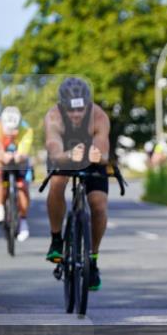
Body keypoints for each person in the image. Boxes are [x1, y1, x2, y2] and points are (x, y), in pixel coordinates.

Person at [44, 78, 112, 290]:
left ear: (88, 105)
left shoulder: (99, 116)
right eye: (71, 110)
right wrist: (70, 155)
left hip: (91, 159)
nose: (76, 115)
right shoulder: (53, 117)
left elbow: (104, 154)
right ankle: (56, 239)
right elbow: (54, 152)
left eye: (81, 109)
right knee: (57, 182)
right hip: (64, 156)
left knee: (99, 204)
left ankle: (92, 260)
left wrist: (97, 156)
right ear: (62, 106)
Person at [0, 107, 34, 240]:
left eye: (14, 131)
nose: (11, 135)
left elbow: (24, 154)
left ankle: (23, 220)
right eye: (8, 132)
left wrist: (18, 157)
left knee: (23, 186)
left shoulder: (27, 130)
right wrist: (3, 157)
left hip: (19, 159)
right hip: (0, 157)